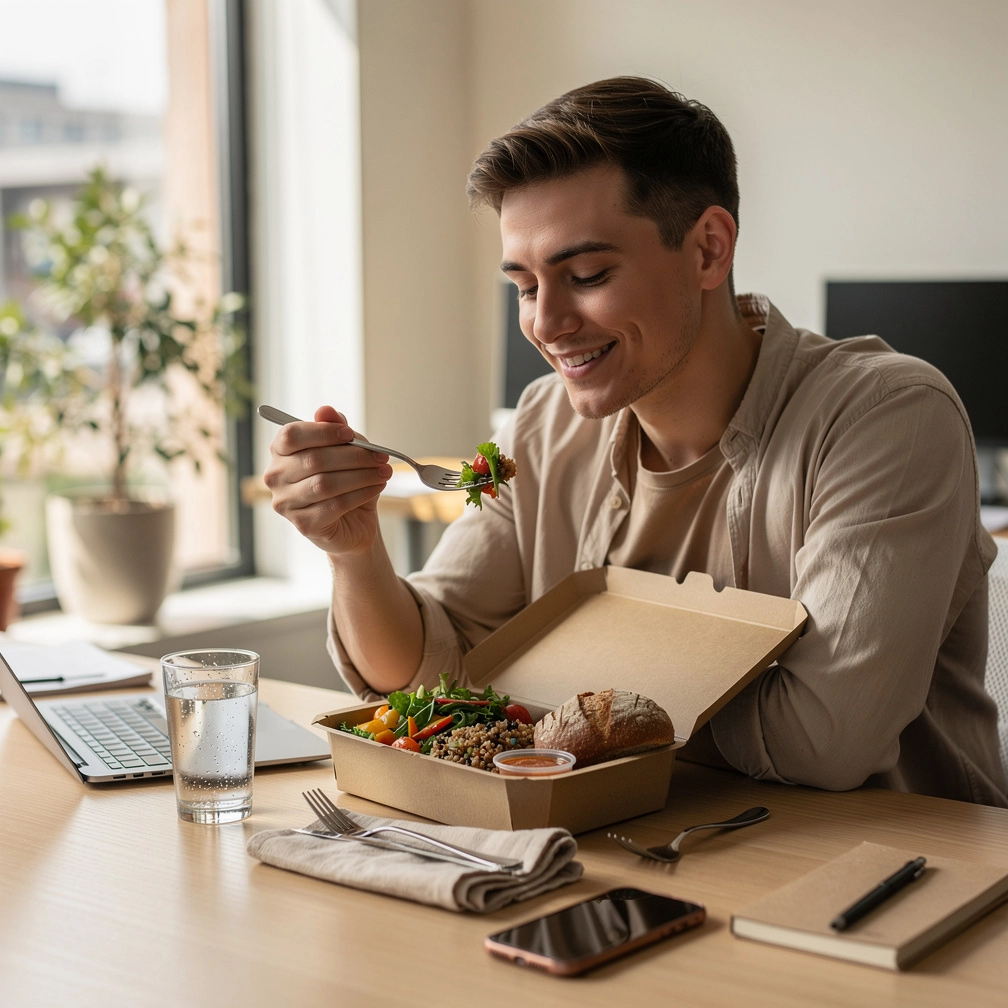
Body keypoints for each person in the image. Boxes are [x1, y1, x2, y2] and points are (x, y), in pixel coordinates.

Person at [265, 77, 1005, 806]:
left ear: (709, 249)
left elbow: (824, 736)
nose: (545, 324)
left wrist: (546, 688)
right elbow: (437, 680)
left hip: (898, 859)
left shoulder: (886, 416)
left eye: (587, 274)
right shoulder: (542, 424)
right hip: (631, 844)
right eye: (525, 287)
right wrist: (354, 553)